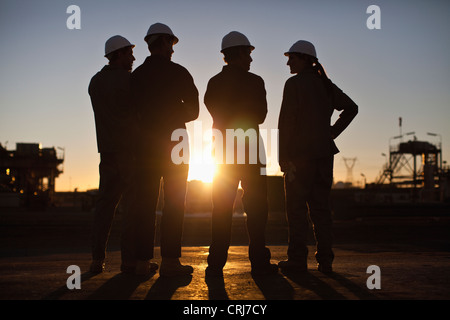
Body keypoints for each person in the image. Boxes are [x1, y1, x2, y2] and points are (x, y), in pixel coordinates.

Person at [278, 40, 358, 273]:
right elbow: (352, 108)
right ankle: (325, 261)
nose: (288, 62)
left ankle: (297, 260)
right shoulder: (325, 84)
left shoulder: (293, 84)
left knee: (296, 209)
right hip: (324, 155)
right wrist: (332, 131)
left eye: (291, 58)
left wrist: (284, 158)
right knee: (321, 209)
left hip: (299, 157)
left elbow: (286, 123)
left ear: (303, 58)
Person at [204, 31, 278, 277]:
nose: (251, 59)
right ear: (239, 53)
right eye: (248, 53)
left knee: (221, 208)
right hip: (251, 151)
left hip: (224, 152)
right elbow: (260, 116)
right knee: (257, 208)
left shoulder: (214, 83)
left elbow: (214, 111)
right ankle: (259, 262)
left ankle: (215, 263)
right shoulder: (255, 82)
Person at [131, 23, 199, 277]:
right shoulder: (179, 73)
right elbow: (193, 110)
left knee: (145, 204)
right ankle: (170, 262)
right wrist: (170, 115)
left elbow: (131, 113)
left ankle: (141, 263)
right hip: (176, 144)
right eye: (171, 43)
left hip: (146, 146)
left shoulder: (136, 76)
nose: (173, 49)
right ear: (163, 42)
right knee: (174, 202)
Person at [88, 35, 143, 274]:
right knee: (131, 207)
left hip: (107, 152)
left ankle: (97, 260)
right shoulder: (132, 81)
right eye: (129, 53)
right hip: (130, 152)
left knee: (105, 207)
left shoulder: (95, 82)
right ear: (118, 54)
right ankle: (129, 262)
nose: (133, 57)